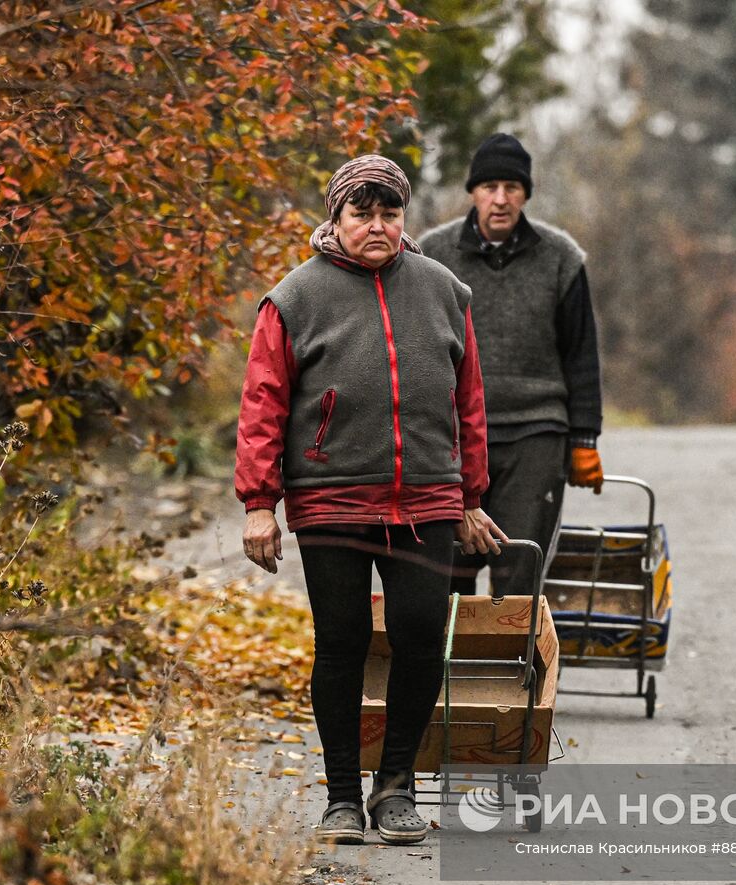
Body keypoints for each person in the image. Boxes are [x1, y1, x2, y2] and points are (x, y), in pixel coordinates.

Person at [235, 154, 505, 847]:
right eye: (363, 213)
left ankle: (396, 792)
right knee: (343, 643)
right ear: (337, 217)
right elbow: (262, 406)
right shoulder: (293, 299)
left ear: (403, 218)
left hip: (427, 500)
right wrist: (259, 503)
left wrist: (471, 495)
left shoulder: (444, 290)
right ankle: (343, 799)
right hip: (331, 498)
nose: (378, 226)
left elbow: (467, 402)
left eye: (389, 213)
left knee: (419, 638)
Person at [419, 133, 604, 598]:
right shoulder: (431, 255)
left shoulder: (561, 258)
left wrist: (584, 439)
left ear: (526, 193)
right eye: (489, 187)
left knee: (520, 567)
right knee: (446, 573)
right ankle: (446, 670)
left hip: (536, 431)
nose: (500, 199)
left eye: (512, 187)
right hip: (452, 434)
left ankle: (514, 669)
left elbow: (580, 353)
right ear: (472, 192)